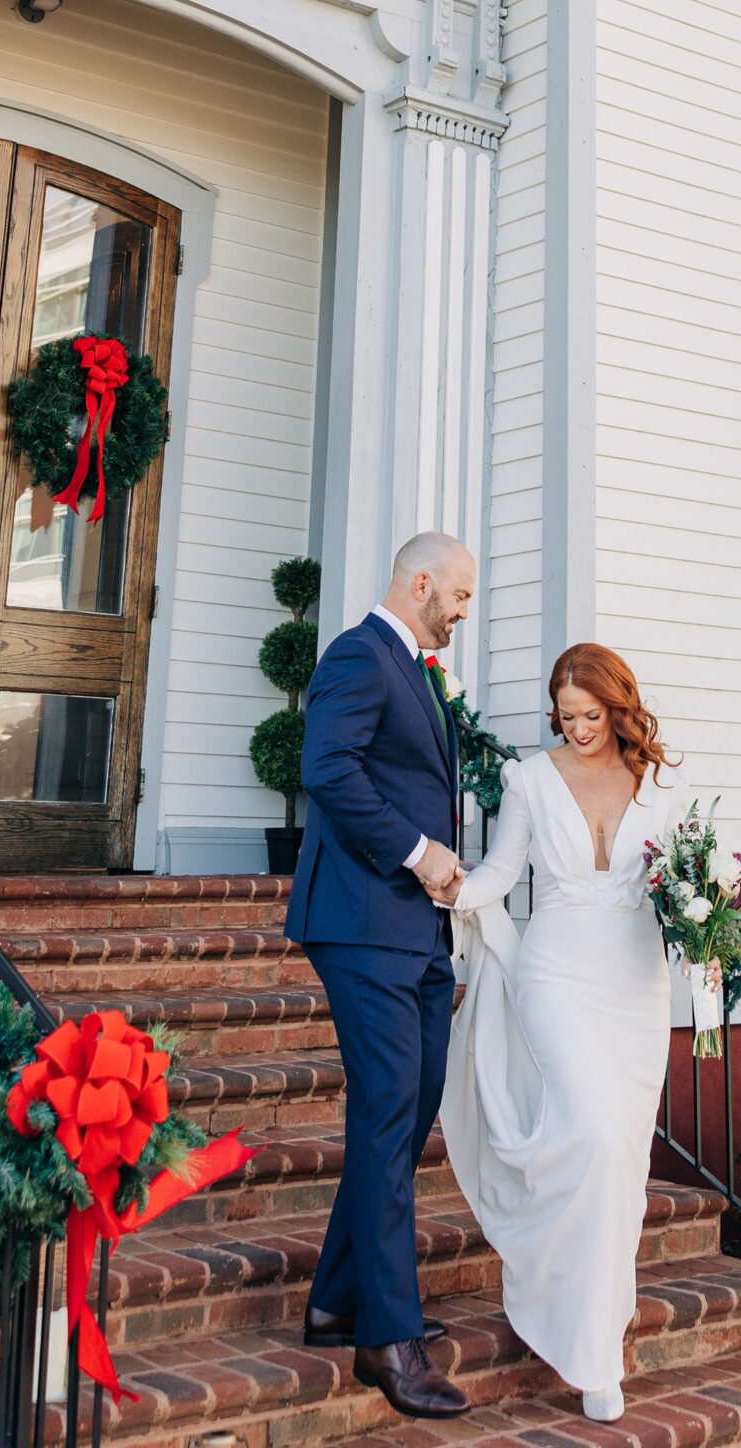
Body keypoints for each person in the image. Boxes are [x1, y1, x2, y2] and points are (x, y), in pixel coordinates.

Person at [440, 642, 679, 1424]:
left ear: (618, 709)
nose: (576, 729)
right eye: (566, 716)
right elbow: (503, 875)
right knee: (594, 1134)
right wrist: (449, 883)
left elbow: (682, 881)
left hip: (636, 982)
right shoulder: (531, 779)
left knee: (622, 1163)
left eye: (591, 715)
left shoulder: (656, 783)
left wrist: (712, 917)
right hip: (556, 972)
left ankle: (597, 1334)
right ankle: (568, 1319)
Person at [284, 531, 475, 1419]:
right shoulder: (358, 655)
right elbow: (326, 768)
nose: (466, 610)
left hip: (416, 929)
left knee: (411, 1102)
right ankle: (386, 1339)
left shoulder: (418, 670)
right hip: (363, 918)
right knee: (390, 1103)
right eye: (461, 594)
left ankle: (333, 1299)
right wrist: (417, 852)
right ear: (422, 580)